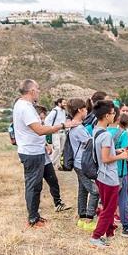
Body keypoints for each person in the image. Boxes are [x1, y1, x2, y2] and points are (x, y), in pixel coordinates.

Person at [12, 79, 78, 228]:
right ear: (31, 91)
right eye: (37, 89)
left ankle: (48, 208)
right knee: (33, 185)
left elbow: (34, 130)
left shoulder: (25, 105)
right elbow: (39, 130)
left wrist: (45, 144)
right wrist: (62, 125)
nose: (39, 91)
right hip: (31, 153)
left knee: (50, 178)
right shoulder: (25, 107)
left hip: (39, 150)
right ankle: (33, 219)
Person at [89, 100, 128, 248]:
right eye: (113, 113)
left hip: (101, 175)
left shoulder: (96, 130)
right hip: (109, 177)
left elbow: (102, 154)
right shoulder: (106, 135)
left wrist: (115, 151)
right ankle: (96, 236)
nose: (115, 116)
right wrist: (121, 156)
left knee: (107, 205)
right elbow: (106, 158)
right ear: (107, 115)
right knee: (110, 209)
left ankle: (108, 232)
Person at [66, 98, 101, 231]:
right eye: (85, 109)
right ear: (80, 110)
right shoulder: (78, 129)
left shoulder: (74, 126)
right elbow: (91, 144)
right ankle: (89, 219)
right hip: (82, 164)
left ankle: (82, 217)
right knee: (95, 190)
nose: (87, 111)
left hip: (78, 162)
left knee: (83, 189)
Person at [107, 108, 128, 238]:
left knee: (109, 202)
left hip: (107, 171)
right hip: (120, 170)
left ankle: (108, 228)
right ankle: (126, 227)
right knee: (122, 199)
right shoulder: (123, 134)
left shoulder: (103, 132)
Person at [35, 105, 71, 213]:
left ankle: (58, 203)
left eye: (43, 118)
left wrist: (46, 144)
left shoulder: (41, 125)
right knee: (36, 184)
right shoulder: (32, 126)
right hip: (36, 158)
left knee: (53, 181)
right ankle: (34, 208)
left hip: (45, 158)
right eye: (41, 117)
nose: (42, 120)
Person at [45, 98, 68, 168]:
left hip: (63, 132)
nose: (65, 104)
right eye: (64, 103)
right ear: (59, 103)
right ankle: (50, 164)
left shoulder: (64, 111)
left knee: (61, 150)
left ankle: (57, 165)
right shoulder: (55, 111)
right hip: (56, 133)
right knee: (56, 148)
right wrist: (52, 129)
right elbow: (47, 121)